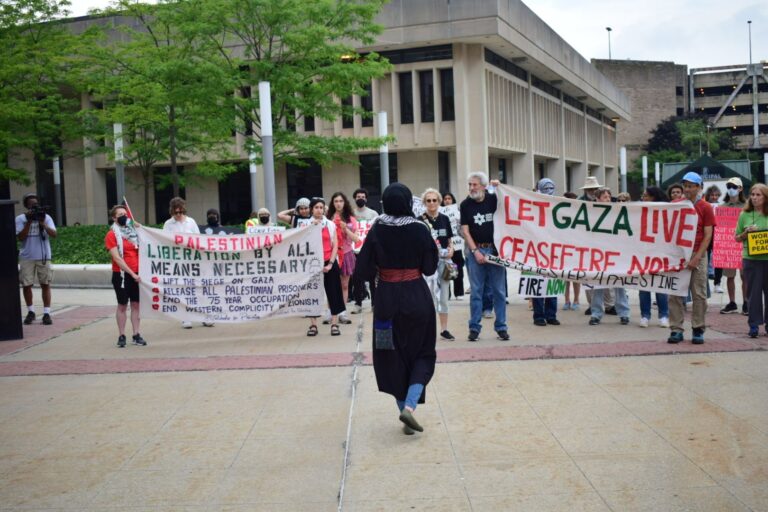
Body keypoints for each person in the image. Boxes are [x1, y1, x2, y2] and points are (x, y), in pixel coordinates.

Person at [353, 183, 438, 435]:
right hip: (417, 298)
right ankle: (409, 407)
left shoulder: (377, 228)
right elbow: (430, 267)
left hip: (386, 302)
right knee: (423, 351)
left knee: (389, 354)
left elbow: (362, 271)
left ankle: (403, 407)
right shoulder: (420, 228)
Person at [668, 172, 715, 344]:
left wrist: (698, 257)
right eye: (685, 186)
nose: (687, 189)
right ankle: (676, 329)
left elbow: (708, 235)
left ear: (698, 187)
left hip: (697, 253)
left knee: (699, 293)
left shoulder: (706, 207)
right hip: (678, 253)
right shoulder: (675, 205)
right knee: (674, 292)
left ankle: (698, 328)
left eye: (690, 186)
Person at [460, 172, 508, 341]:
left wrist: (500, 186)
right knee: (476, 292)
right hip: (476, 252)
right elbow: (465, 231)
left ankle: (501, 326)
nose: (472, 188)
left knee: (499, 292)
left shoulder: (494, 200)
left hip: (496, 251)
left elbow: (509, 204)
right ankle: (474, 327)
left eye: (475, 185)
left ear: (483, 185)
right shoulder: (465, 205)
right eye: (470, 185)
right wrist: (475, 252)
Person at [163, 197, 211, 328]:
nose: (178, 215)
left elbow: (198, 239)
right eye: (176, 212)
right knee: (183, 290)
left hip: (193, 261)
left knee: (198, 288)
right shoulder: (168, 224)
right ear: (172, 211)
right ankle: (186, 318)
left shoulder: (191, 222)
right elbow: (165, 241)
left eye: (180, 212)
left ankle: (204, 316)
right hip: (178, 262)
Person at [105, 205, 147, 347]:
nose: (124, 216)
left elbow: (147, 239)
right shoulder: (112, 235)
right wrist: (131, 273)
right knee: (122, 305)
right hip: (122, 275)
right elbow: (117, 258)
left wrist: (138, 226)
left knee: (136, 305)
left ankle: (136, 334)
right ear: (114, 218)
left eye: (125, 214)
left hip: (137, 273)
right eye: (120, 214)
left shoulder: (133, 232)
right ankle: (121, 335)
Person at [588, 188, 631, 326]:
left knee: (619, 283)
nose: (608, 199)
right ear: (597, 199)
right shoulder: (592, 214)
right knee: (598, 284)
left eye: (609, 196)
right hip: (599, 254)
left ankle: (624, 313)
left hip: (615, 253)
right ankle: (596, 314)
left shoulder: (617, 213)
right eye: (605, 197)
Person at [16, 192, 57, 325]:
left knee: (45, 284)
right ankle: (31, 311)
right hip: (26, 256)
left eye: (35, 204)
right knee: (26, 284)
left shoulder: (45, 217)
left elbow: (54, 234)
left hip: (43, 255)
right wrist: (28, 222)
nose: (34, 207)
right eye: (31, 205)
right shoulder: (20, 219)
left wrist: (43, 223)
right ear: (27, 206)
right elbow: (20, 237)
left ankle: (46, 313)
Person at [307, 197, 345, 336]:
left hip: (329, 262)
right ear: (312, 209)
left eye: (321, 207)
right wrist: (312, 226)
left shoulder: (330, 224)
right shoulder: (306, 225)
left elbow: (335, 245)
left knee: (334, 293)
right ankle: (313, 325)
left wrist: (330, 263)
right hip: (312, 264)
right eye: (316, 207)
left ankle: (334, 324)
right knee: (312, 294)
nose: (319, 210)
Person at [420, 188, 455, 340]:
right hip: (426, 263)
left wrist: (452, 249)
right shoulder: (419, 220)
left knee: (443, 297)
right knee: (426, 297)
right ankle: (426, 330)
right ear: (424, 202)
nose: (432, 203)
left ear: (439, 202)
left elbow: (449, 239)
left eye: (435, 200)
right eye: (429, 200)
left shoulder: (445, 218)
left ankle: (444, 329)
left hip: (444, 261)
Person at [735, 184, 768, 338]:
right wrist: (745, 233)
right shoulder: (745, 215)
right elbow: (736, 238)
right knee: (753, 293)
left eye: (758, 195)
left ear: (765, 197)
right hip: (751, 259)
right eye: (752, 194)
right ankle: (753, 324)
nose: (754, 197)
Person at [638, 187, 670, 328]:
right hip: (643, 252)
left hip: (659, 252)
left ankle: (664, 316)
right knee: (643, 286)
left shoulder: (666, 211)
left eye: (646, 196)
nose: (643, 198)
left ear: (654, 197)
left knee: (660, 286)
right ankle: (645, 316)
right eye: (643, 195)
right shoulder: (638, 210)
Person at [531, 179, 560, 327]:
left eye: (551, 187)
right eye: (545, 187)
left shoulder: (558, 204)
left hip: (553, 250)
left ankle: (551, 315)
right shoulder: (533, 204)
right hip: (535, 250)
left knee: (553, 282)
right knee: (537, 283)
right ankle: (539, 315)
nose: (549, 190)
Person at [327, 192, 359, 323]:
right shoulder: (327, 219)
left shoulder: (351, 219)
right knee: (331, 284)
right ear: (332, 203)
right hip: (331, 255)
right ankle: (331, 311)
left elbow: (356, 239)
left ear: (344, 202)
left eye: (340, 201)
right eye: (336, 201)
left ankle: (342, 312)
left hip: (346, 254)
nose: (338, 203)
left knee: (344, 285)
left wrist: (345, 229)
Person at [718, 178, 748, 315]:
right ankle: (732, 302)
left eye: (734, 186)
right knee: (729, 276)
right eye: (729, 186)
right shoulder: (722, 208)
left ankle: (746, 302)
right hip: (727, 246)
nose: (731, 188)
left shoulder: (748, 207)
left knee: (745, 276)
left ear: (740, 188)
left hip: (744, 246)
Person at [349, 188, 378, 314]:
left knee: (372, 278)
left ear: (366, 199)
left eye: (363, 196)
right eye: (358, 196)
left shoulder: (373, 214)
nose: (360, 198)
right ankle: (358, 303)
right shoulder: (351, 214)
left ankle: (374, 304)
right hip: (355, 250)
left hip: (370, 250)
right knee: (356, 278)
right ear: (355, 198)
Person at [442, 192, 465, 299]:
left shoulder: (458, 212)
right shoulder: (439, 213)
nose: (447, 200)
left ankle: (459, 293)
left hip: (457, 245)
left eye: (449, 198)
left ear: (453, 200)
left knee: (458, 269)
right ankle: (447, 293)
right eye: (445, 198)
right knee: (446, 269)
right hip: (444, 247)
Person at [561, 192, 581, 311]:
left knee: (576, 278)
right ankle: (567, 300)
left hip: (576, 249)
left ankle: (576, 300)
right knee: (565, 278)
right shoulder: (562, 213)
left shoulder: (578, 213)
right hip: (564, 248)